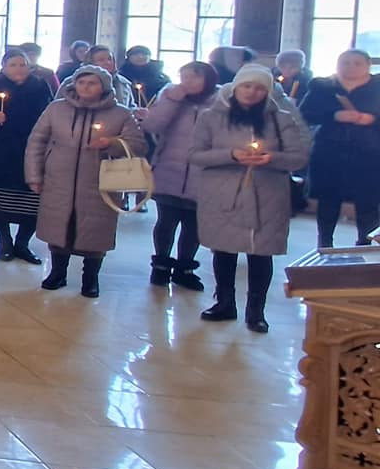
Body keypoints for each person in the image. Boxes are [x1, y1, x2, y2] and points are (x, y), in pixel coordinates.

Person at [189, 62, 312, 334]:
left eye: (259, 88)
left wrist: (272, 158)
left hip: (266, 194)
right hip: (222, 193)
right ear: (235, 88)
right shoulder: (211, 117)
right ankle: (224, 303)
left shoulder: (281, 118)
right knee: (224, 249)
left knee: (261, 252)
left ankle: (256, 311)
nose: (251, 92)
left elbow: (299, 157)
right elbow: (195, 154)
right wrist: (230, 155)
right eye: (246, 86)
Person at [26, 64, 145, 297]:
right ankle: (57, 272)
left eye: (92, 83)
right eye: (81, 82)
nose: (85, 87)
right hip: (59, 179)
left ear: (104, 86)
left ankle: (90, 278)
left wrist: (111, 143)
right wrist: (34, 175)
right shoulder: (56, 108)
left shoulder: (120, 113)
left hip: (99, 181)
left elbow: (138, 145)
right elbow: (37, 141)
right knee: (59, 227)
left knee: (95, 231)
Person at [141, 61, 217, 291]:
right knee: (166, 221)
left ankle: (185, 268)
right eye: (184, 77)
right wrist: (172, 101)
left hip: (203, 172)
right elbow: (152, 125)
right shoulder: (170, 95)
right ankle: (161, 265)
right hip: (169, 168)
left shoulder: (222, 100)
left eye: (194, 77)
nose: (188, 82)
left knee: (194, 224)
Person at [0, 50, 50, 263]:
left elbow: (49, 114)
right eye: (13, 65)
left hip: (30, 150)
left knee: (32, 202)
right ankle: (5, 242)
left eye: (22, 64)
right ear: (4, 66)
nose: (18, 69)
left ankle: (22, 243)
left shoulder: (40, 86)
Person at [301, 50, 380, 247]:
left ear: (368, 65)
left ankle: (364, 245)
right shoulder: (323, 86)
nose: (351, 67)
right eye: (346, 62)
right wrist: (334, 115)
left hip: (369, 153)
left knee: (368, 203)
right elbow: (305, 113)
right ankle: (325, 245)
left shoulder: (377, 87)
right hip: (329, 152)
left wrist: (372, 119)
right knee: (328, 201)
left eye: (357, 63)